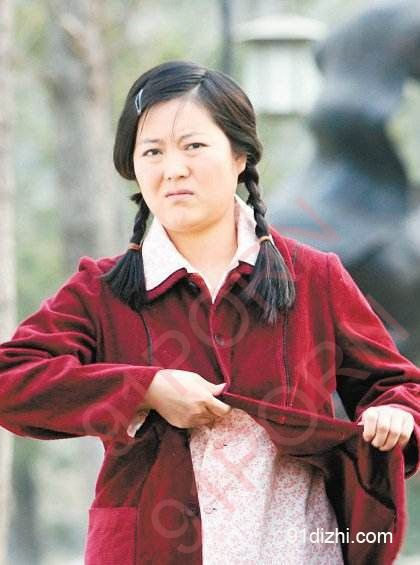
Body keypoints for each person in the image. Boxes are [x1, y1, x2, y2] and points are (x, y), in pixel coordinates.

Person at [0, 60, 419, 565]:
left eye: (193, 146)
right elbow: (10, 379)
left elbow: (398, 385)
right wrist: (146, 389)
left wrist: (394, 412)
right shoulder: (102, 290)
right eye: (152, 151)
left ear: (240, 155)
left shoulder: (314, 277)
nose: (173, 168)